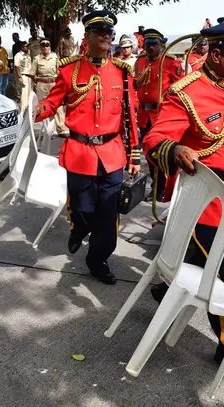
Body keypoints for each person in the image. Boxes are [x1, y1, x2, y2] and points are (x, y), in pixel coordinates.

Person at [143, 18, 224, 381]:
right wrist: (176, 149)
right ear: (216, 56)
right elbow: (154, 141)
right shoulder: (185, 92)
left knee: (206, 266)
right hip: (209, 205)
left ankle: (164, 289)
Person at [34, 10, 141, 285]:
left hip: (112, 153)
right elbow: (53, 102)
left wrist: (134, 155)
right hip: (80, 153)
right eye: (101, 32)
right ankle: (78, 227)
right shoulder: (69, 70)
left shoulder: (121, 71)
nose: (107, 36)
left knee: (108, 216)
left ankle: (97, 260)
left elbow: (130, 116)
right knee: (83, 210)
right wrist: (36, 111)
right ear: (88, 36)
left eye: (110, 32)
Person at [134, 28, 184, 202]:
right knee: (149, 153)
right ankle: (156, 187)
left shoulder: (170, 62)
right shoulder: (140, 61)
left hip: (161, 114)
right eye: (147, 44)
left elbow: (181, 88)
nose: (150, 48)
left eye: (154, 44)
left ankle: (162, 188)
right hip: (144, 114)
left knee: (161, 152)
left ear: (161, 45)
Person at [30, 38, 67, 136]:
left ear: (50, 47)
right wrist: (36, 85)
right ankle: (46, 130)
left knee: (58, 105)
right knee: (42, 107)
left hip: (53, 84)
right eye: (43, 45)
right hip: (41, 84)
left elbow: (60, 72)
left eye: (47, 45)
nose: (45, 47)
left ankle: (61, 129)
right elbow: (32, 74)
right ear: (40, 48)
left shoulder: (55, 58)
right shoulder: (36, 59)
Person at [14, 41, 33, 115]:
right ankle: (23, 111)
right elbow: (17, 67)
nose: (27, 47)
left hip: (29, 76)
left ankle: (29, 110)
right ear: (22, 48)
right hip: (23, 75)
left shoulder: (28, 55)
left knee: (29, 93)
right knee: (24, 94)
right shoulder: (18, 55)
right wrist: (20, 77)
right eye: (26, 46)